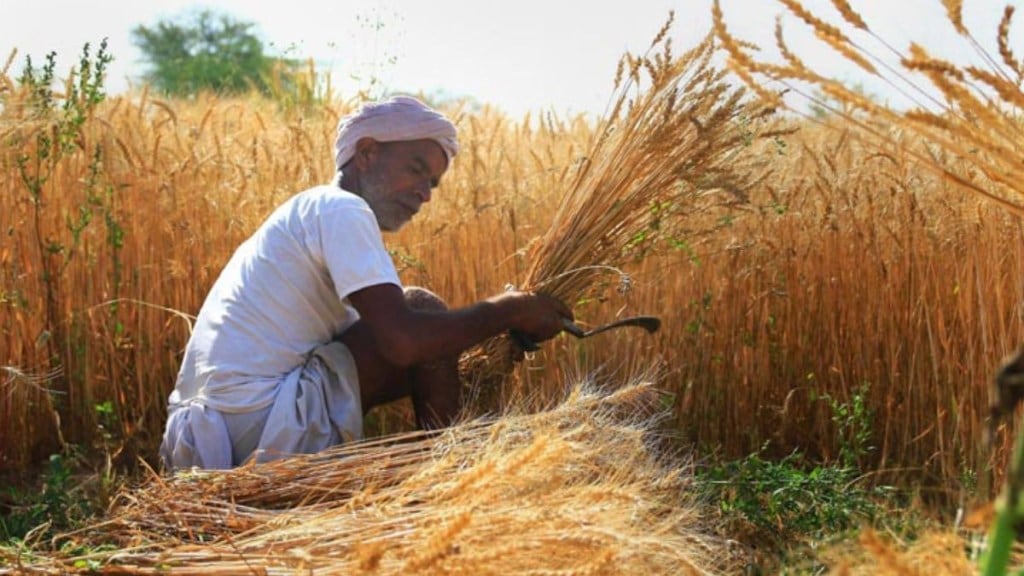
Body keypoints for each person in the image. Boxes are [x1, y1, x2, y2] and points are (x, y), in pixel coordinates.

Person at [160, 96, 571, 470]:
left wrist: (489, 336)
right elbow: (404, 341)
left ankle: (443, 474)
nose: (424, 194)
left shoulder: (309, 211)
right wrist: (511, 309)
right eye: (416, 169)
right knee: (421, 309)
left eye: (432, 183)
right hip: (259, 424)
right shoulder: (342, 208)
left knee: (416, 325)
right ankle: (447, 480)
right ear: (367, 153)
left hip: (198, 442)